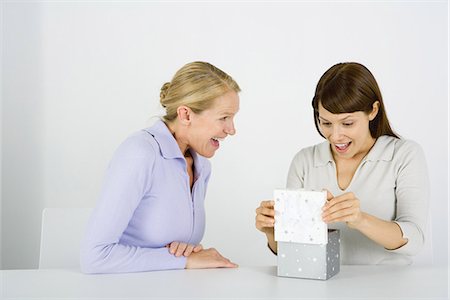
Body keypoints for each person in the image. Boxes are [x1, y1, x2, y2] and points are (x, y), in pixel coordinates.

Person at [255, 62, 429, 265]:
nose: (335, 136)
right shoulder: (305, 161)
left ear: (373, 111)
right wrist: (272, 232)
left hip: (387, 288)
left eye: (347, 123)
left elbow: (415, 240)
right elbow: (292, 251)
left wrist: (360, 219)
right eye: (326, 123)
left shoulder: (403, 155)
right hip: (323, 288)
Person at [80, 61, 240, 273]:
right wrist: (184, 261)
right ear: (186, 115)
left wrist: (186, 252)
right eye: (224, 118)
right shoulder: (141, 153)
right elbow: (95, 257)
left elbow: (170, 249)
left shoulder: (202, 167)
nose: (232, 129)